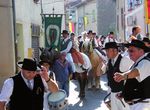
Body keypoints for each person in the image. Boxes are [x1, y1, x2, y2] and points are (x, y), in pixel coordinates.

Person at [114, 40, 150, 110]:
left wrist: (123, 75)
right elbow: (133, 83)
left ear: (141, 51)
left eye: (131, 51)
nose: (129, 53)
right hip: (137, 104)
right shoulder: (136, 63)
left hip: (142, 105)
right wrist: (123, 93)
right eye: (128, 51)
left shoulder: (146, 62)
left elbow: (136, 72)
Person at [102, 42, 134, 110]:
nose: (106, 53)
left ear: (115, 50)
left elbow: (134, 75)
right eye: (106, 51)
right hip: (113, 94)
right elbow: (99, 73)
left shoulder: (124, 60)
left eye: (108, 50)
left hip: (122, 94)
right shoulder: (109, 62)